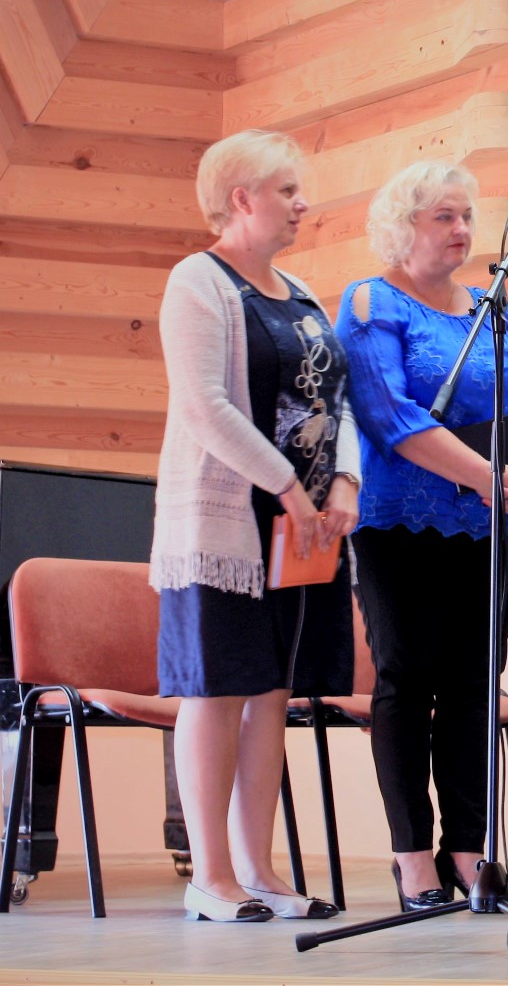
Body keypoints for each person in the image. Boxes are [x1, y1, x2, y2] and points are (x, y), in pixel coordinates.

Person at [151, 129, 359, 922]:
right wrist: (288, 487)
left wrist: (344, 482)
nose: (304, 203)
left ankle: (259, 871)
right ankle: (210, 877)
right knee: (218, 690)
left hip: (303, 529)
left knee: (271, 694)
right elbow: (206, 406)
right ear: (241, 199)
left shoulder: (299, 291)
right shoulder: (197, 282)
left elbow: (337, 402)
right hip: (229, 524)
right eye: (287, 190)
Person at [336, 161, 508, 911]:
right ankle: (412, 860)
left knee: (473, 683)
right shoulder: (371, 302)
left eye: (466, 216)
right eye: (444, 217)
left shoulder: (496, 312)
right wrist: (486, 475)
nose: (462, 229)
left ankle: (467, 850)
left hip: (491, 524)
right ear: (403, 226)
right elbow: (388, 414)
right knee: (406, 680)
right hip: (399, 522)